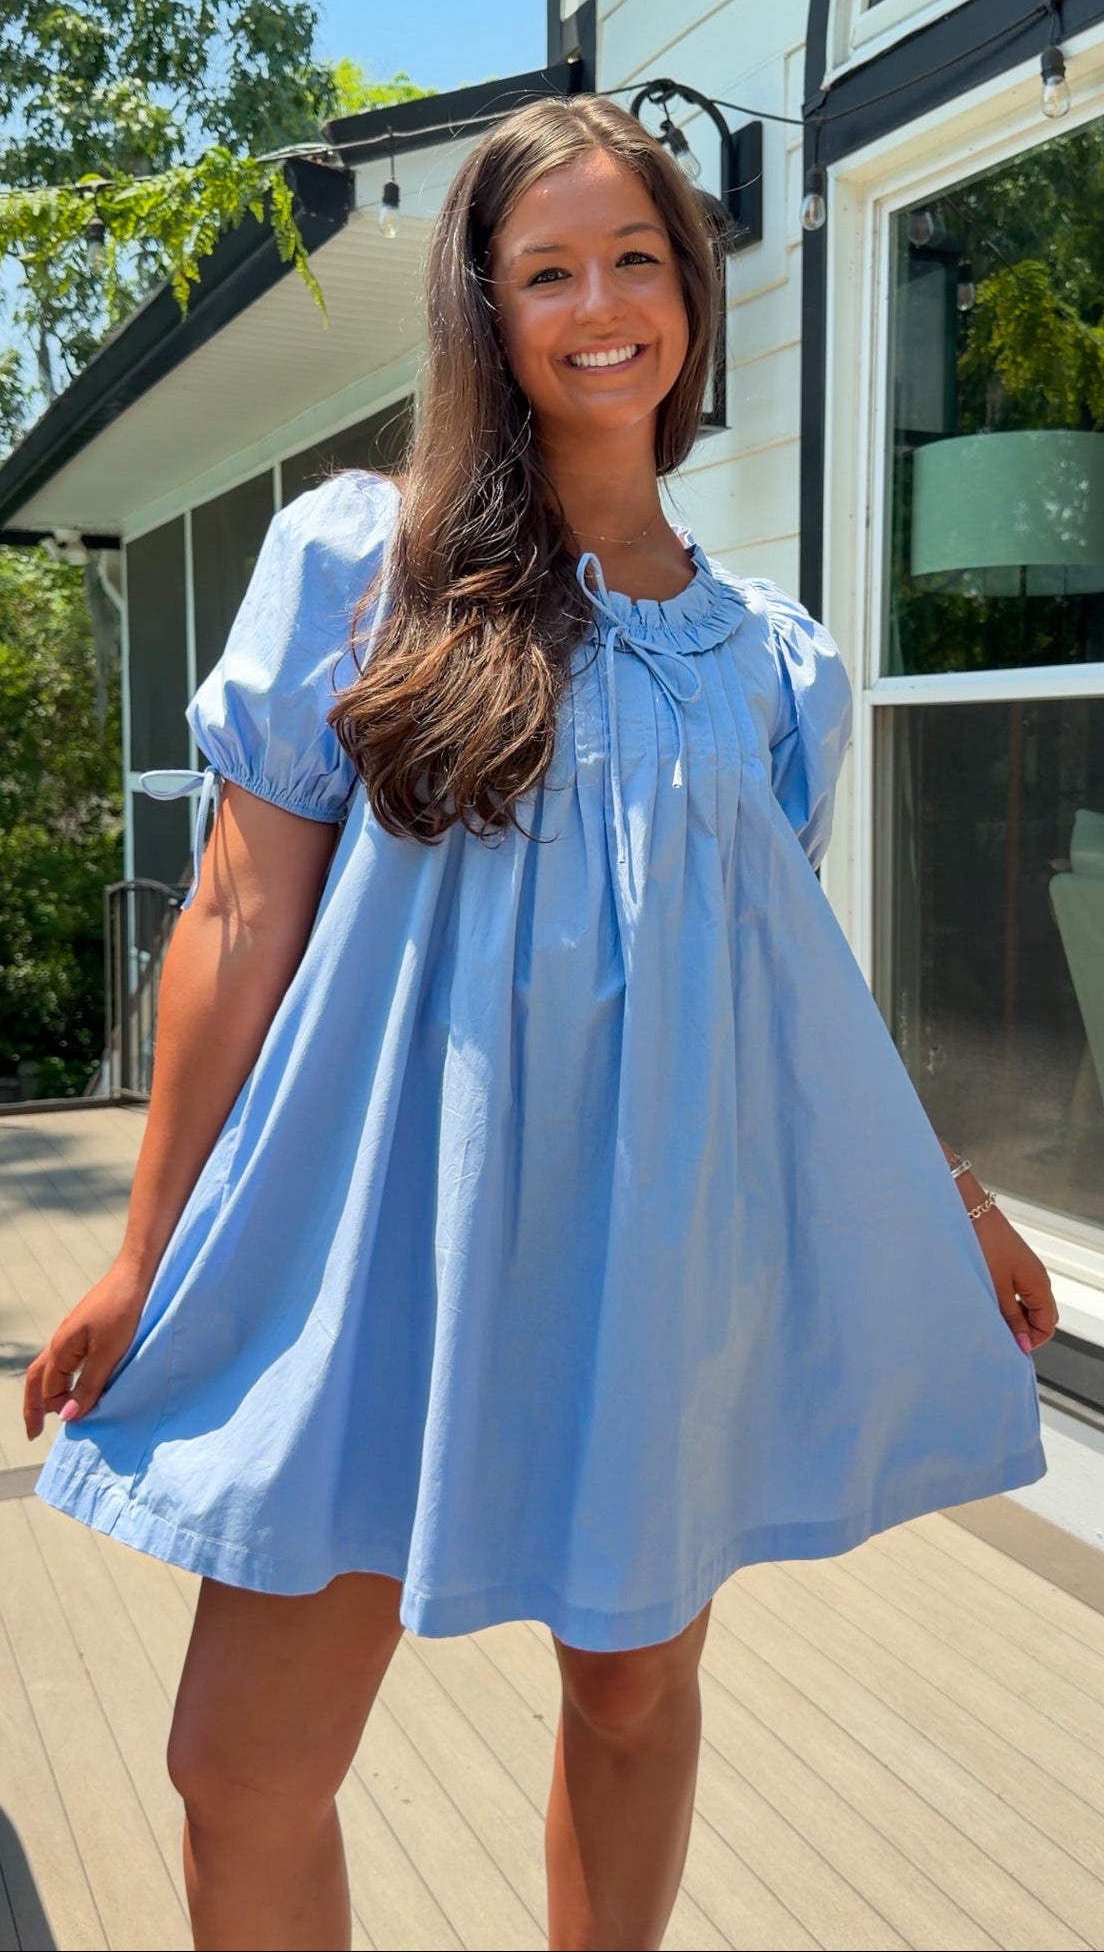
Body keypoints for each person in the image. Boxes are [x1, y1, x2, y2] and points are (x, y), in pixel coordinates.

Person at [24, 95, 1055, 1952]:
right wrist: (140, 1254)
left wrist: (955, 1192)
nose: (600, 304)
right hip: (376, 1242)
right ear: (482, 315)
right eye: (546, 270)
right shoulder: (363, 562)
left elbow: (783, 986)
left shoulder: (766, 658)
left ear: (692, 290)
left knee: (633, 1692)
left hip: (657, 1252)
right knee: (238, 1768)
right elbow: (240, 920)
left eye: (637, 258)